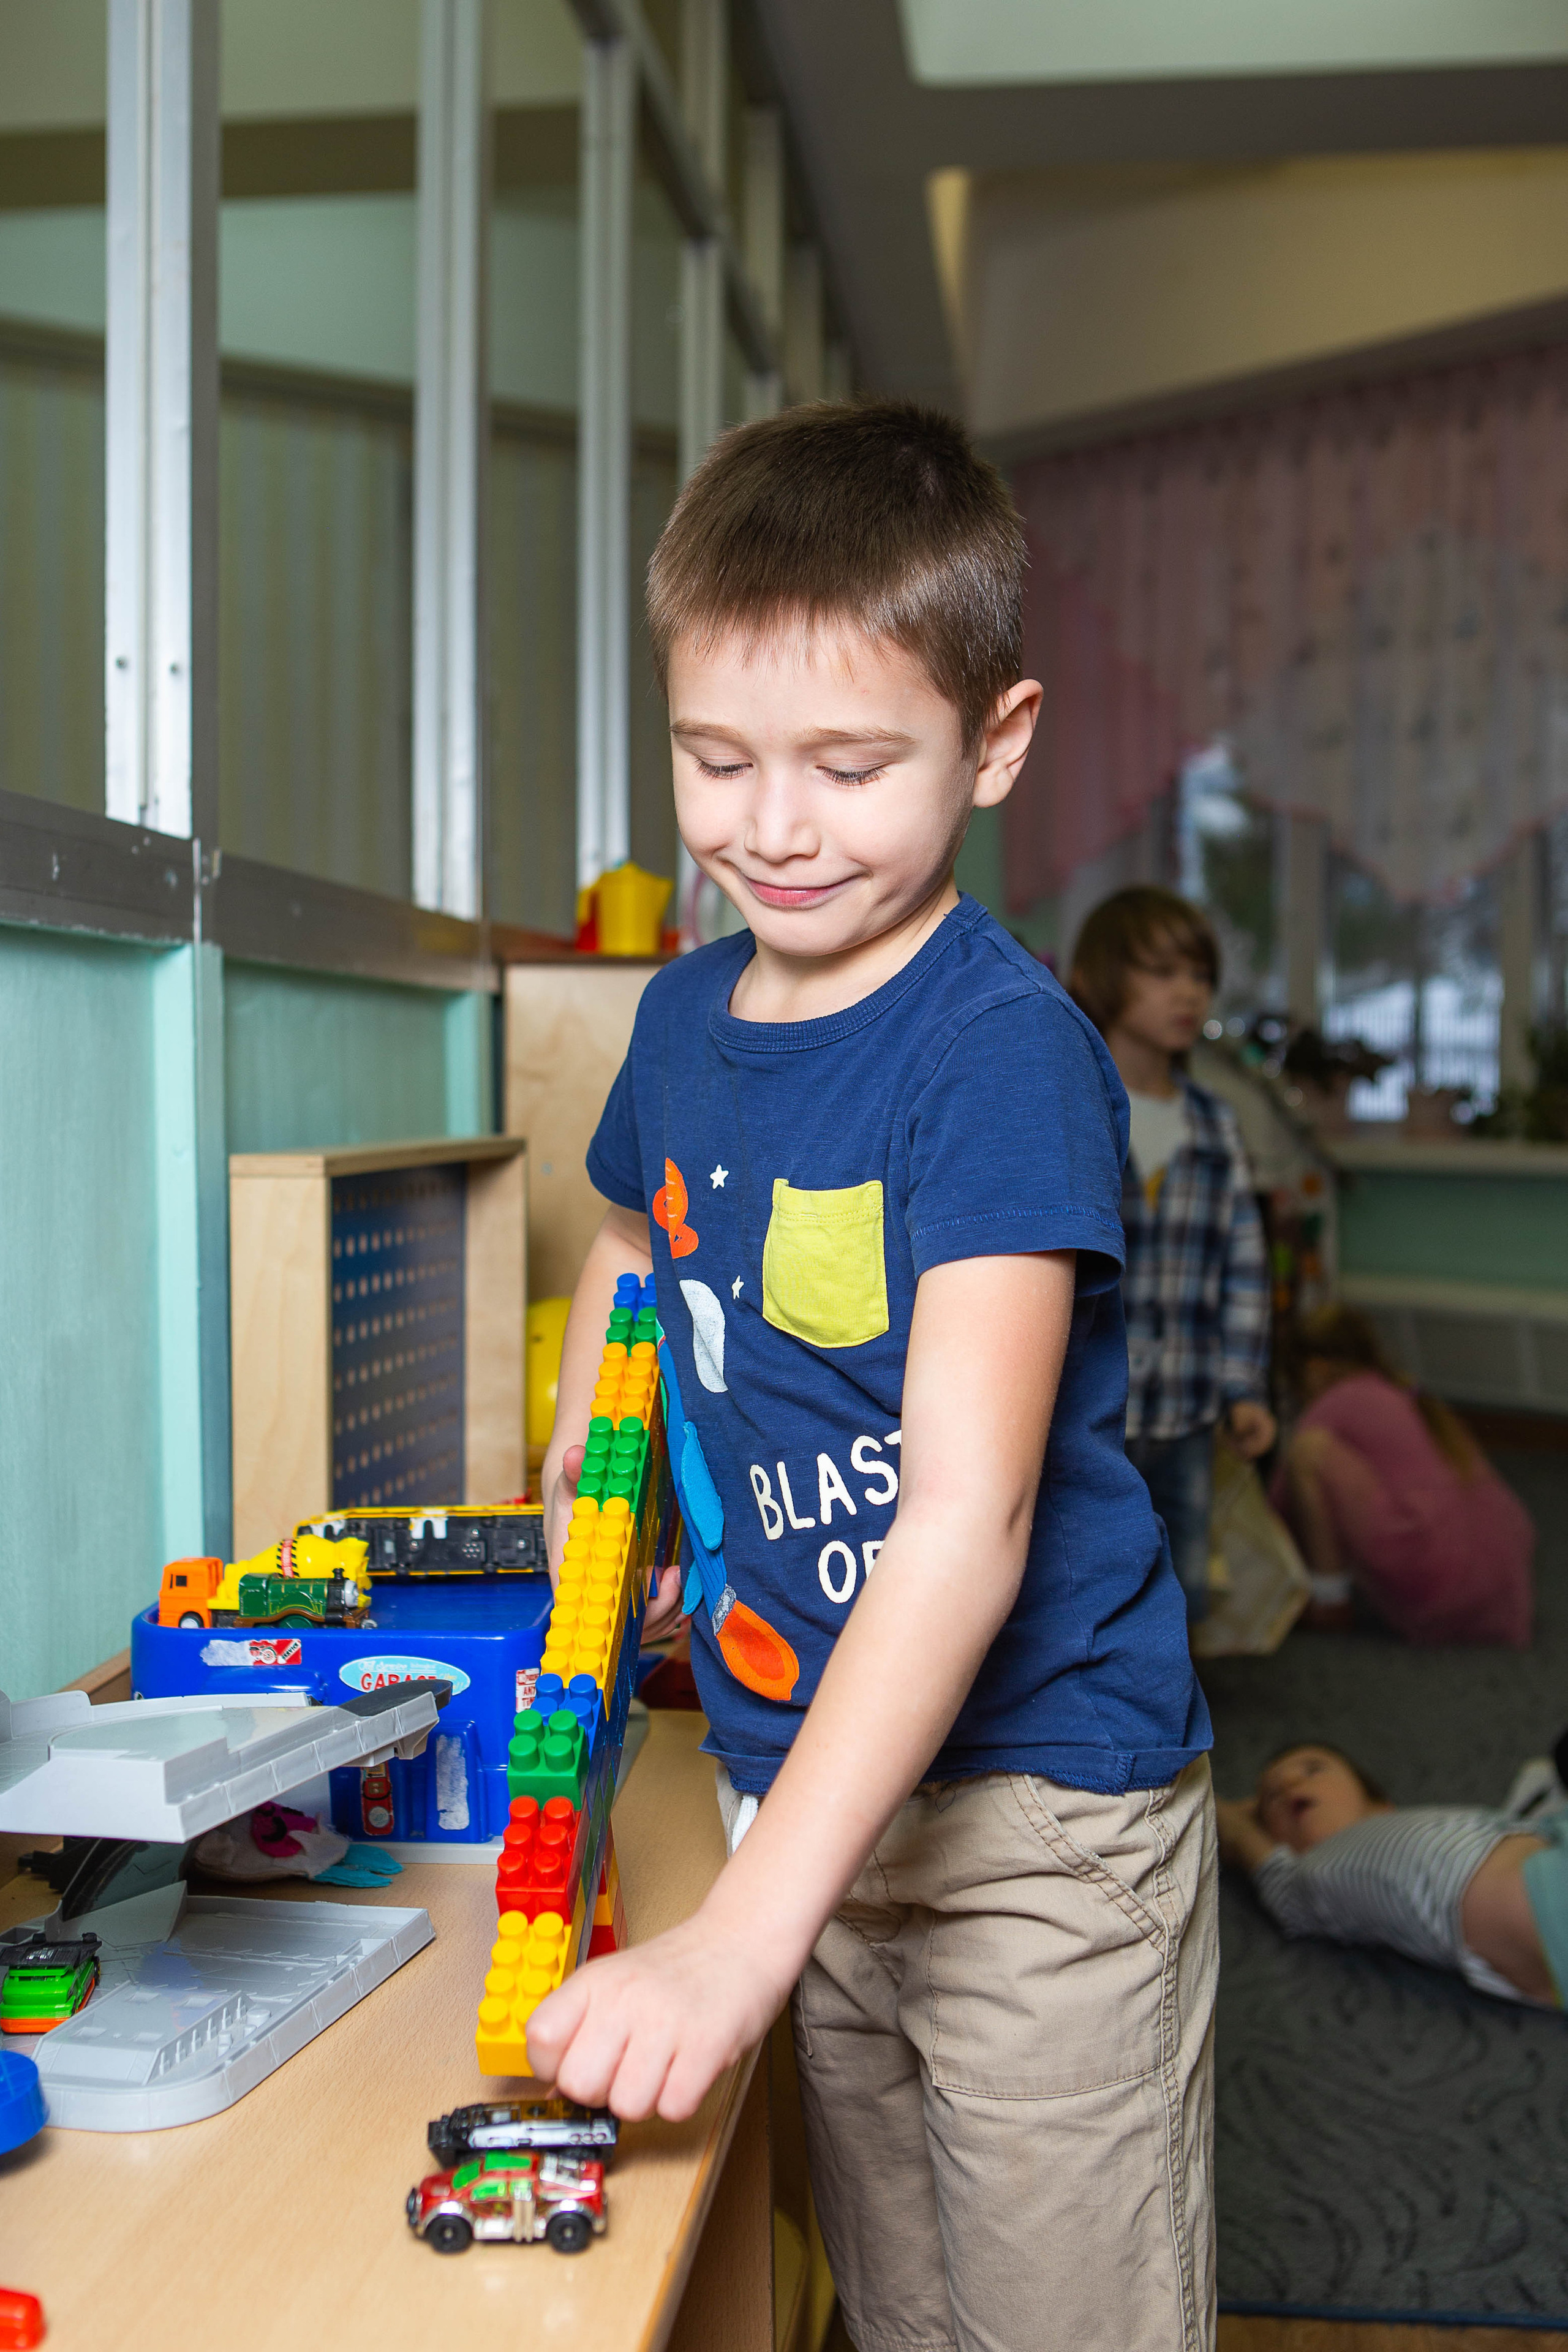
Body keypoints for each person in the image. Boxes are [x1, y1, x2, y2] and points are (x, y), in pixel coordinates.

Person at [526, 402, 1219, 2352]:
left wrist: (737, 1939)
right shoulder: (681, 1013)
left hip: (1032, 1816)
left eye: (847, 766)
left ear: (992, 743)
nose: (772, 826)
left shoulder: (995, 1055)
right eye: (715, 758)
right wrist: (595, 1476)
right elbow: (635, 1236)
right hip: (799, 1773)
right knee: (902, 2307)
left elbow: (965, 1521)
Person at [1069, 888, 1276, 1621]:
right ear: (1104, 976)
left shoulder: (1215, 1122)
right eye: (1163, 972)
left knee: (1183, 1586)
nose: (1188, 992)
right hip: (1090, 1414)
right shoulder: (1073, 1108)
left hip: (1187, 1408)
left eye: (1200, 975)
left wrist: (1243, 1388)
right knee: (1087, 1584)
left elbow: (1243, 1266)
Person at [1216, 1741, 1565, 2006]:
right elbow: (1270, 1873)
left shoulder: (1400, 1826)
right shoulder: (1317, 1871)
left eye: (1313, 1770)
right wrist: (1238, 1826)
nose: (1290, 1785)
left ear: (1380, 1804)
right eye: (1271, 1798)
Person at [1273, 1303, 1534, 1645]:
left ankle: (1329, 1600)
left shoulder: (1339, 1400)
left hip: (1437, 1578)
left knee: (1308, 1451)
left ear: (1315, 1369)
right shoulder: (1406, 1394)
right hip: (1496, 1586)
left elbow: (1280, 1505)